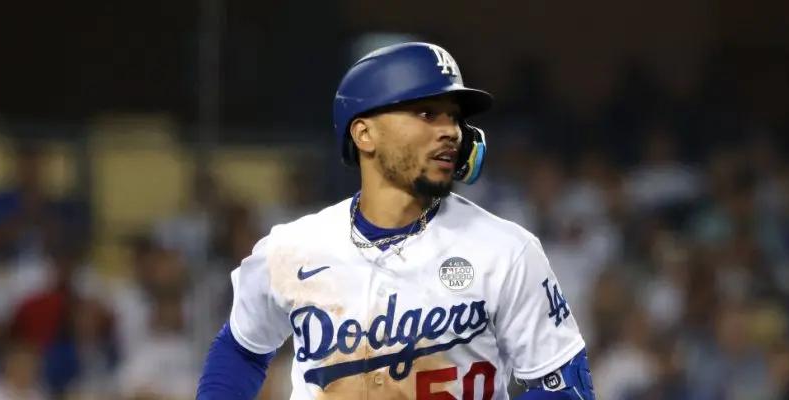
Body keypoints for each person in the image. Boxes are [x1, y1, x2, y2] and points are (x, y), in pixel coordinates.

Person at [197, 42, 594, 399]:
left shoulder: (506, 250)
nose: (451, 132)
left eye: (453, 117)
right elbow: (241, 349)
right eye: (426, 113)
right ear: (364, 134)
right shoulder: (291, 249)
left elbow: (565, 386)